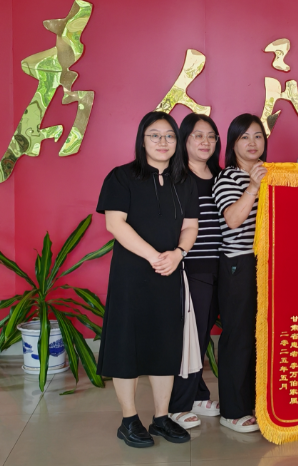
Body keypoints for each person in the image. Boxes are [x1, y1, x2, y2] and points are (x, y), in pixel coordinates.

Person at [97, 111, 200, 448]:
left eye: (169, 135)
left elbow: (190, 226)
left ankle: (161, 417)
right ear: (142, 140)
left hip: (169, 274)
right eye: (154, 135)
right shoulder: (122, 176)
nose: (162, 141)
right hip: (131, 276)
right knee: (126, 346)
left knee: (165, 346)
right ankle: (129, 420)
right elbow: (115, 223)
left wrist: (178, 254)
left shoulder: (184, 181)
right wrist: (154, 256)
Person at [212, 113, 268, 433]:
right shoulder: (227, 178)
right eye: (244, 137)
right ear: (233, 144)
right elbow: (232, 221)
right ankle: (232, 410)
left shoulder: (271, 173)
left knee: (262, 335)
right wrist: (253, 187)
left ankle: (257, 402)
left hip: (267, 264)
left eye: (258, 136)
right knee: (238, 336)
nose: (252, 143)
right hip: (238, 263)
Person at [168, 113, 223, 428]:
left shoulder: (221, 177)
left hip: (221, 267)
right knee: (190, 336)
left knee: (202, 335)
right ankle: (177, 404)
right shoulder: (176, 179)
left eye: (211, 136)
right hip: (190, 267)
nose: (205, 142)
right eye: (198, 135)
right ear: (184, 140)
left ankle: (198, 394)